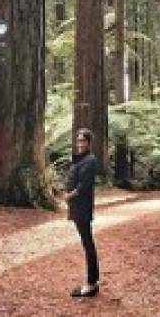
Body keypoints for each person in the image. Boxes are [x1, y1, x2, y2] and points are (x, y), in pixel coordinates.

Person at [64, 127, 100, 298]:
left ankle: (91, 283)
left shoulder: (90, 160)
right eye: (78, 140)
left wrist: (69, 195)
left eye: (83, 141)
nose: (80, 144)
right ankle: (92, 282)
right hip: (77, 207)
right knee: (87, 243)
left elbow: (83, 186)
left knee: (88, 244)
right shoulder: (80, 159)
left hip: (82, 207)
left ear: (88, 142)